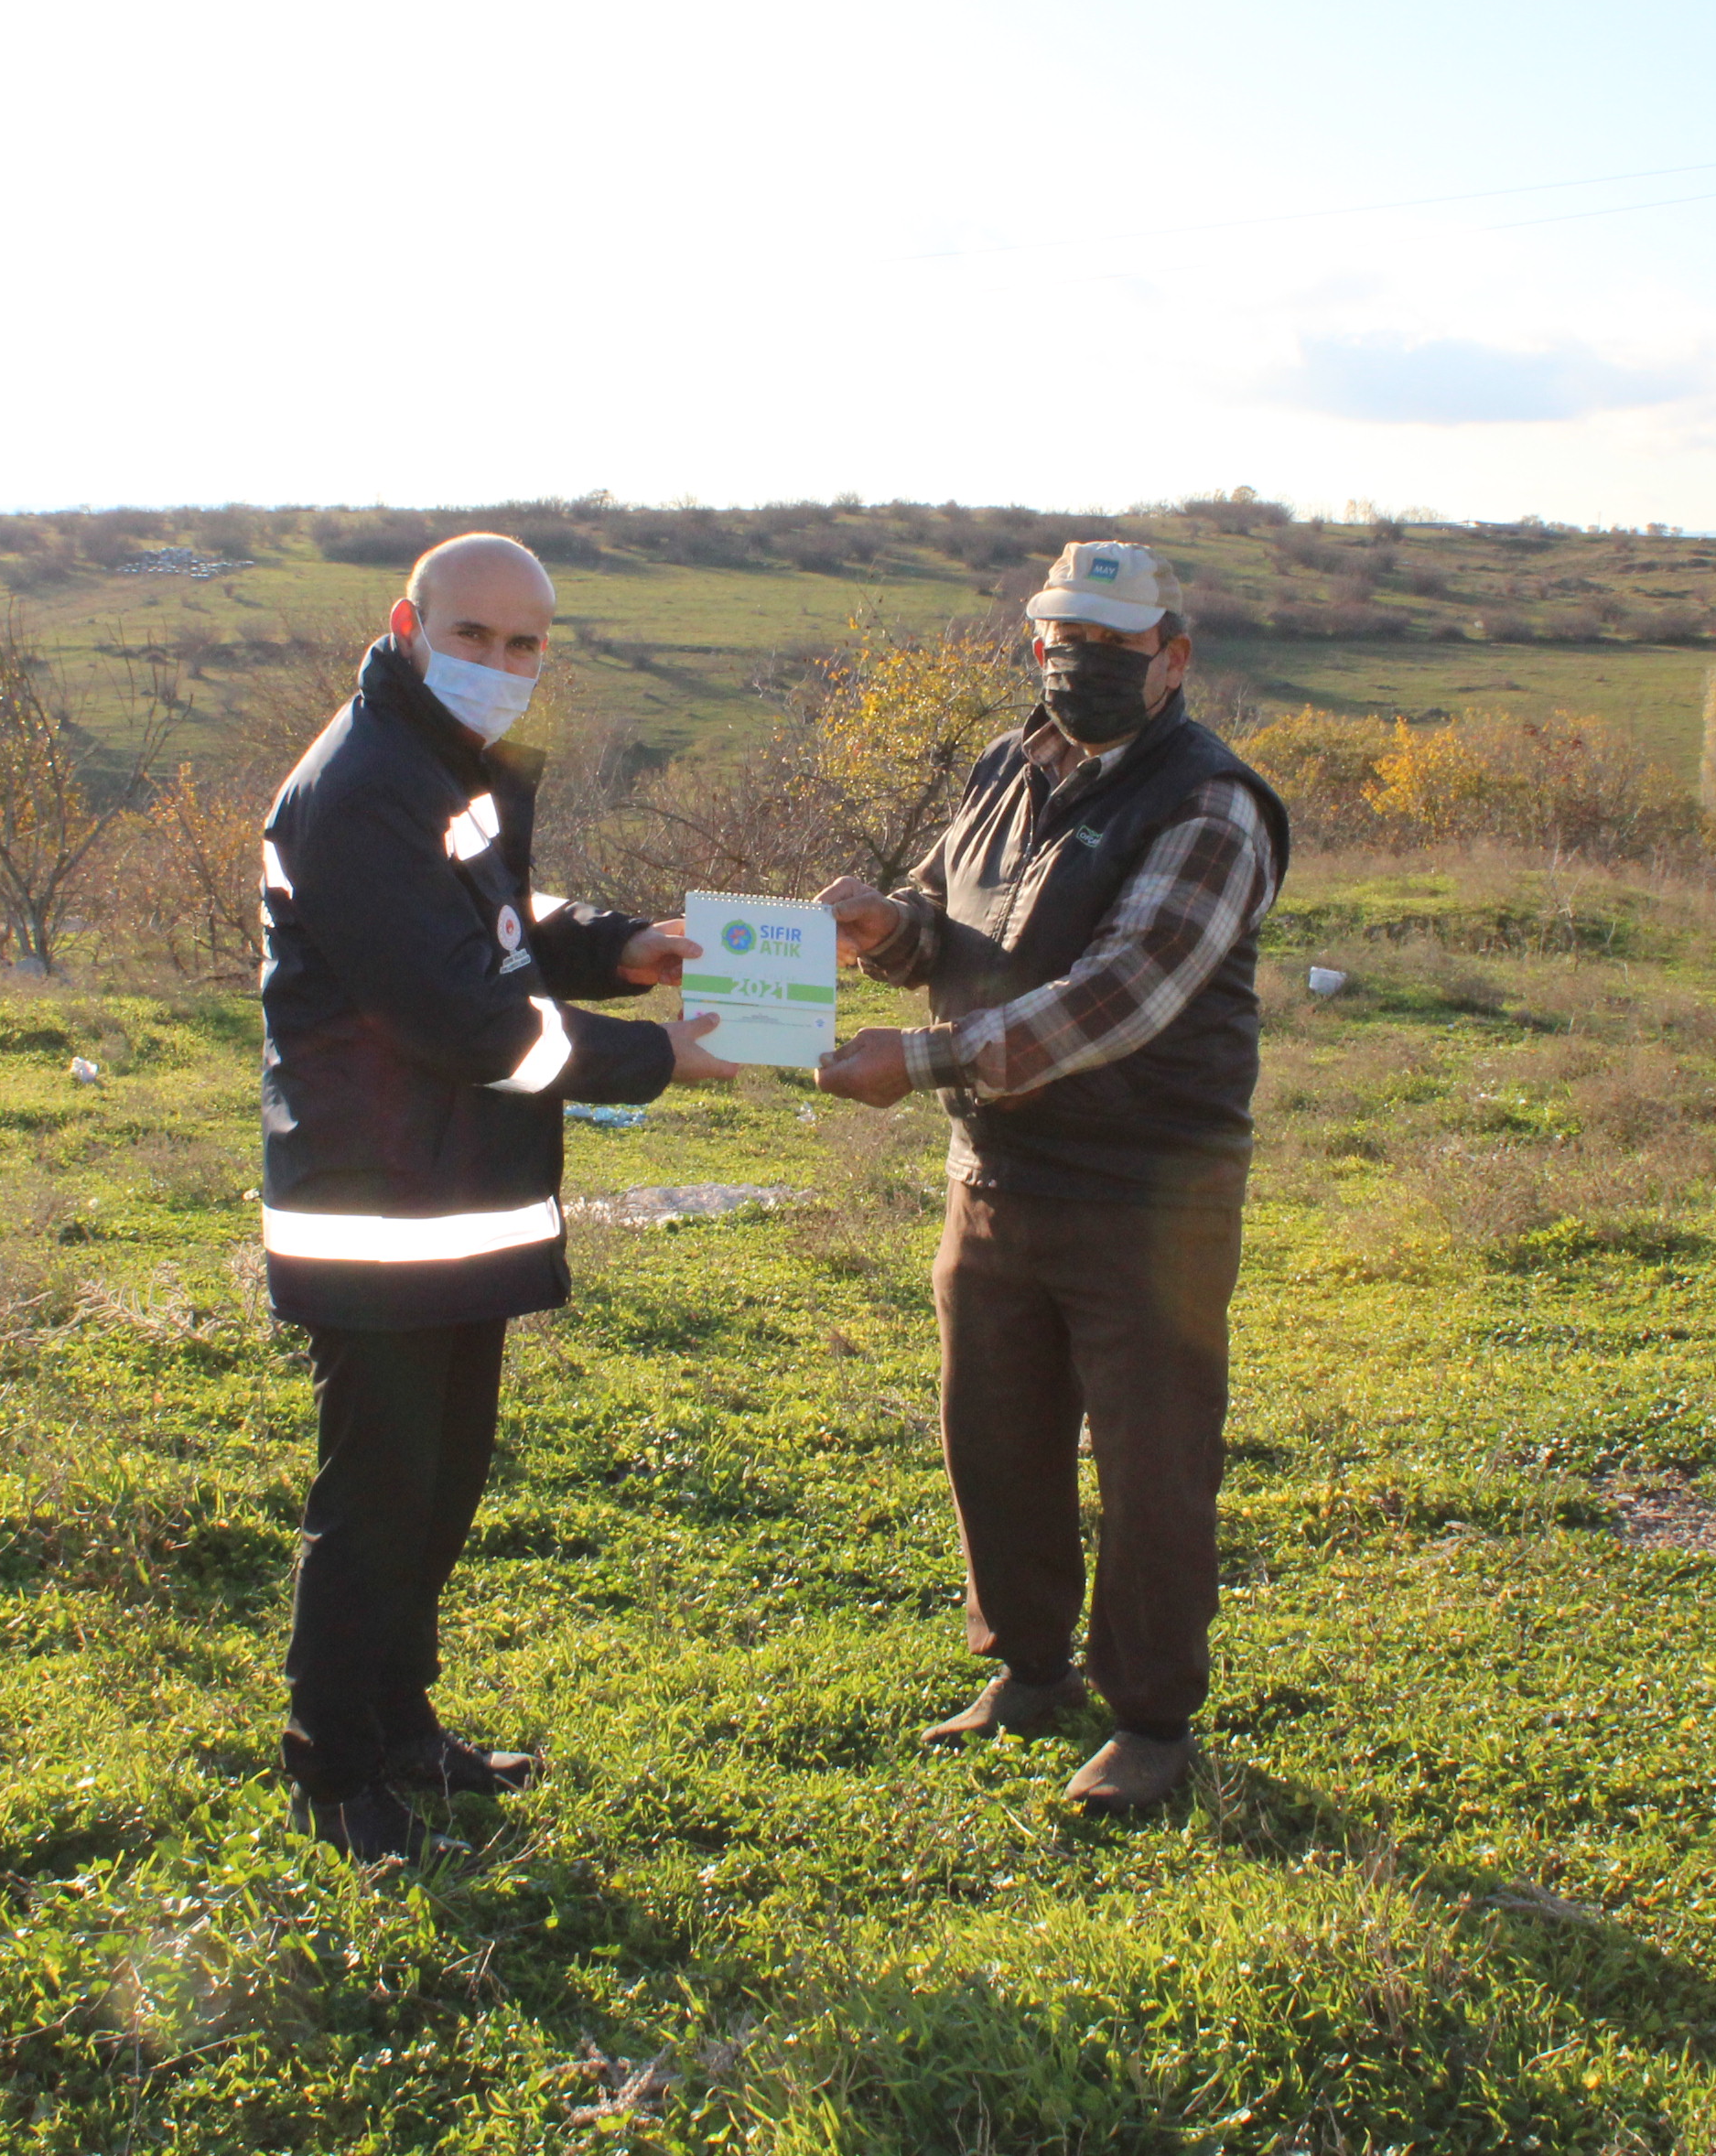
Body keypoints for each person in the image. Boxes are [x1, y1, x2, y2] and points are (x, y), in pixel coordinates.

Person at [258, 532, 738, 1860]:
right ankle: (335, 1771)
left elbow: (505, 914)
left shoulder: (434, 764)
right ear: (411, 623)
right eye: (478, 637)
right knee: (375, 1499)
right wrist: (657, 1057)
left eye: (528, 645)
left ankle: (401, 1723)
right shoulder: (360, 787)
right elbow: (461, 1017)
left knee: (440, 1482)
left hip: (456, 1193)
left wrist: (616, 945)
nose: (504, 665)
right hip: (378, 1205)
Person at [814, 539, 1289, 1814]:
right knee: (996, 1435)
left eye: (1114, 648)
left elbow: (1120, 996)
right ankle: (1029, 1670)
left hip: (1151, 1193)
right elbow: (949, 922)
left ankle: (1149, 1723)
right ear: (1033, 644)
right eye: (1060, 641)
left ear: (1172, 658)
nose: (1078, 667)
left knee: (1150, 1461)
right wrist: (887, 929)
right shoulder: (1003, 769)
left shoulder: (1212, 807)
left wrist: (917, 1061)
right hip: (999, 1170)